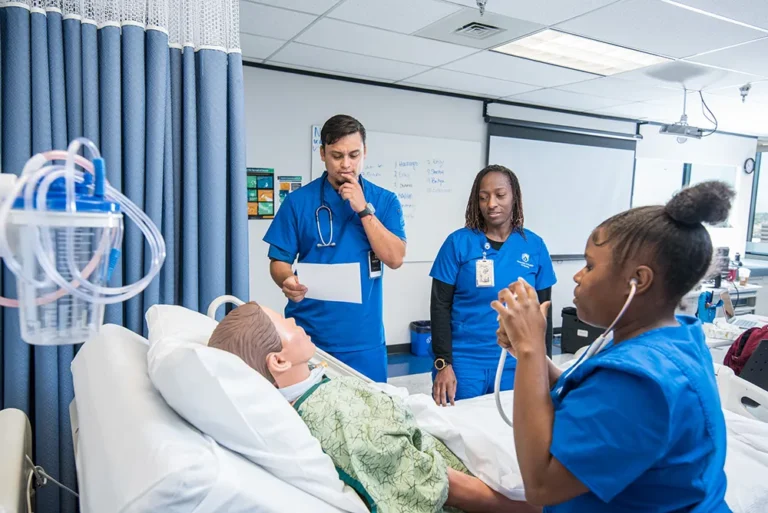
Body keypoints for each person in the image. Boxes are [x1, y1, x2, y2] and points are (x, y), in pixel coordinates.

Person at [492, 181, 733, 512]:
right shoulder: (676, 338)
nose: (577, 276)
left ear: (638, 281)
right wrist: (529, 356)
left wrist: (532, 348)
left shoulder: (642, 383)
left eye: (590, 265)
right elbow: (594, 399)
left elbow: (541, 485)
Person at [208, 302, 539, 513]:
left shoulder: (317, 393)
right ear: (278, 362)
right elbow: (446, 487)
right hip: (486, 476)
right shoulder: (338, 411)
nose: (294, 320)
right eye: (284, 322)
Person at [263, 115, 406, 382]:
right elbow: (278, 261)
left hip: (365, 340)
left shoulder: (385, 201)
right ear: (322, 154)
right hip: (308, 340)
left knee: (370, 419)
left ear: (365, 152)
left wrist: (363, 209)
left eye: (354, 155)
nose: (346, 164)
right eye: (337, 155)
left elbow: (395, 258)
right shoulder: (297, 203)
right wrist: (286, 280)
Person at [430, 165, 556, 405]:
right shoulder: (458, 243)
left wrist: (544, 365)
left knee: (511, 432)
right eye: (483, 197)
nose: (491, 204)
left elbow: (543, 315)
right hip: (465, 361)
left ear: (514, 197)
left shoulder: (534, 246)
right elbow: (439, 306)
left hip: (516, 361)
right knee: (458, 432)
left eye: (500, 195)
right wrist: (443, 363)